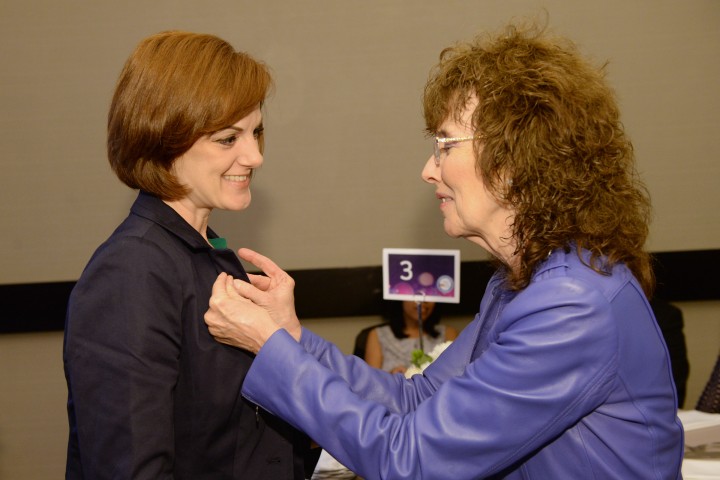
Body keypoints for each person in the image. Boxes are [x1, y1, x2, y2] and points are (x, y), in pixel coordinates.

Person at [204, 22, 684, 479]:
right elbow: (421, 400)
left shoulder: (572, 306)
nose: (429, 170)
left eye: (445, 146)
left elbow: (412, 460)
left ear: (513, 160)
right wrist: (292, 337)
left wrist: (271, 351)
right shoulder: (522, 281)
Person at [63, 31, 310, 479]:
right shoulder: (131, 272)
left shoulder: (209, 255)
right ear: (163, 138)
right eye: (228, 139)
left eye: (255, 133)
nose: (254, 155)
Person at [363, 301, 458, 373]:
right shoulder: (377, 334)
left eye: (428, 294)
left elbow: (456, 375)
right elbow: (371, 382)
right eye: (415, 293)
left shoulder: (448, 333)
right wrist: (390, 376)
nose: (423, 300)